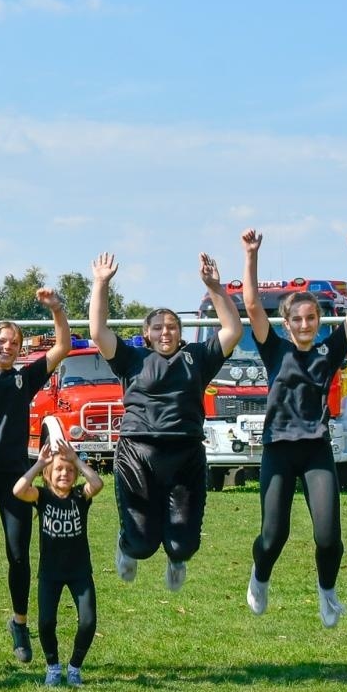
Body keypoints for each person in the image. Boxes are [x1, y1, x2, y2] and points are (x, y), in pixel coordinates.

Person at [89, 251, 242, 591]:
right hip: (137, 453)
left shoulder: (197, 358)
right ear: (146, 334)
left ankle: (176, 557)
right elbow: (98, 331)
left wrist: (215, 287)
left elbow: (232, 329)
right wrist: (100, 284)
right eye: (158, 327)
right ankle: (126, 544)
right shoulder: (132, 359)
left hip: (185, 454)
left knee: (182, 546)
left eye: (172, 326)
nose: (165, 332)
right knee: (142, 544)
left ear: (180, 331)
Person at [241, 230, 347, 628]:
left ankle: (327, 594)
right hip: (278, 450)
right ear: (287, 322)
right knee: (273, 536)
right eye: (297, 318)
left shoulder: (328, 352)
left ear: (318, 320)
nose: (304, 324)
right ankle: (260, 577)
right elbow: (249, 303)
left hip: (316, 449)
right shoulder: (273, 349)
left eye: (311, 318)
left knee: (329, 537)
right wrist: (250, 254)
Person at [0, 289, 73, 666]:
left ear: (20, 349)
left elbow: (64, 346)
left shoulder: (25, 379)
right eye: (1, 340)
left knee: (18, 554)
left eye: (13, 342)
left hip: (15, 478)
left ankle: (19, 624)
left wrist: (56, 309)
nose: (6, 346)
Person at [12, 441, 104, 686]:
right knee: (45, 622)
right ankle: (52, 665)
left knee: (88, 621)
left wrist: (75, 460)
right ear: (48, 475)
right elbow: (18, 489)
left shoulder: (79, 496)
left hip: (80, 572)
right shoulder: (41, 496)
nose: (65, 473)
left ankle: (74, 666)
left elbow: (97, 484)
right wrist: (40, 463)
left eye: (69, 470)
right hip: (50, 573)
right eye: (59, 470)